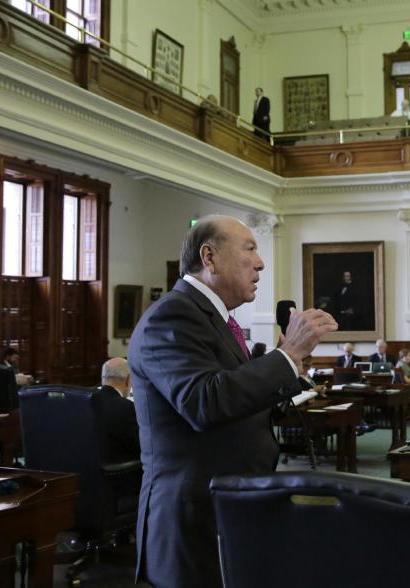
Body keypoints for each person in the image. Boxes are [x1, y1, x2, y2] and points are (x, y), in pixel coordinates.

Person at [128, 215, 337, 587]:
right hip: (192, 519)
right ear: (209, 258)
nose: (260, 262)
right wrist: (287, 355)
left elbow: (234, 397)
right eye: (250, 249)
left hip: (229, 506)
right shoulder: (173, 315)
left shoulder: (216, 320)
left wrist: (286, 368)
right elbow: (203, 402)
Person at [96, 358, 140, 463]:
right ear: (128, 379)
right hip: (121, 473)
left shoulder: (88, 401)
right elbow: (140, 447)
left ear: (103, 378)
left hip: (92, 471)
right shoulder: (127, 407)